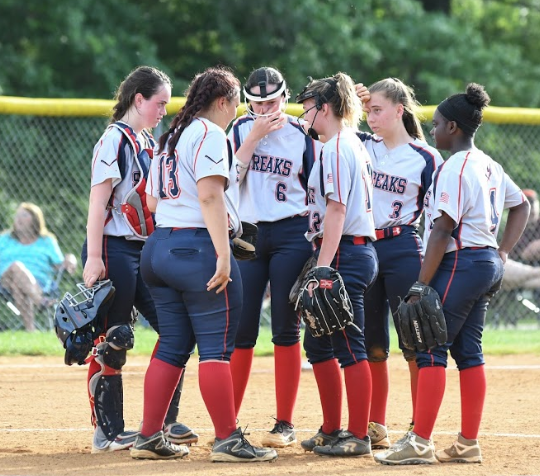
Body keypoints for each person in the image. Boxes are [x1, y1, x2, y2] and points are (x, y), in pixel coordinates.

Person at [374, 83, 530, 465]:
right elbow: (521, 205)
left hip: (463, 263)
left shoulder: (455, 167)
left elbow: (442, 229)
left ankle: (420, 442)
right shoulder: (488, 163)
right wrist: (504, 250)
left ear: (455, 128)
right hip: (487, 262)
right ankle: (466, 443)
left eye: (438, 123)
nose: (433, 130)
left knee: (430, 347)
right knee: (469, 352)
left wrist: (419, 285)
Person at [130, 65, 278, 463]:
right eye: (234, 103)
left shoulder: (171, 135)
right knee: (215, 349)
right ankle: (228, 439)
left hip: (158, 248)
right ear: (221, 101)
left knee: (173, 344)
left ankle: (148, 436)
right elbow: (210, 197)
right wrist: (224, 254)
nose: (236, 111)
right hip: (197, 251)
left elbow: (153, 203)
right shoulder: (211, 134)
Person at [81, 66, 195, 454]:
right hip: (114, 247)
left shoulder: (148, 141)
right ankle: (108, 432)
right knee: (115, 338)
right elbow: (98, 202)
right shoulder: (114, 140)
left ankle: (164, 421)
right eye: (159, 102)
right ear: (138, 99)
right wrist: (94, 256)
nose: (165, 109)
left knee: (175, 328)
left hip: (145, 249)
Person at [227, 66, 318, 447]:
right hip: (249, 233)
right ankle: (227, 421)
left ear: (285, 96)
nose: (265, 109)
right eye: (257, 102)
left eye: (272, 101)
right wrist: (253, 138)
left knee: (285, 325)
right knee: (242, 328)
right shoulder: (237, 129)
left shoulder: (302, 133)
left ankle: (284, 422)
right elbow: (229, 179)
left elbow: (316, 188)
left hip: (290, 233)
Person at [354, 78, 444, 448]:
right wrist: (350, 103)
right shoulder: (359, 145)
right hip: (364, 246)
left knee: (415, 339)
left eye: (377, 110)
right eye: (368, 110)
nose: (371, 117)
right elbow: (321, 129)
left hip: (402, 246)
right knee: (372, 344)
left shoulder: (426, 157)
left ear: (399, 111)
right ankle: (376, 424)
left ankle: (417, 426)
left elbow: (439, 216)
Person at [295, 73, 378, 457]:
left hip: (344, 252)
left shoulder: (337, 148)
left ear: (324, 108)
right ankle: (331, 429)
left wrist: (322, 268)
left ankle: (358, 435)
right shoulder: (348, 144)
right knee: (318, 343)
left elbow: (337, 209)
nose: (304, 114)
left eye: (309, 107)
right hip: (347, 250)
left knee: (349, 346)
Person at [0, 202, 77, 331]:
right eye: (17, 215)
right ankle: (41, 301)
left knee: (18, 286)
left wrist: (71, 259)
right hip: (5, 281)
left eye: (24, 215)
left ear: (35, 220)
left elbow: (60, 264)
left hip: (39, 284)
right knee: (16, 267)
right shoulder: (5, 239)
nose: (18, 218)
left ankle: (31, 330)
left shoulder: (47, 241)